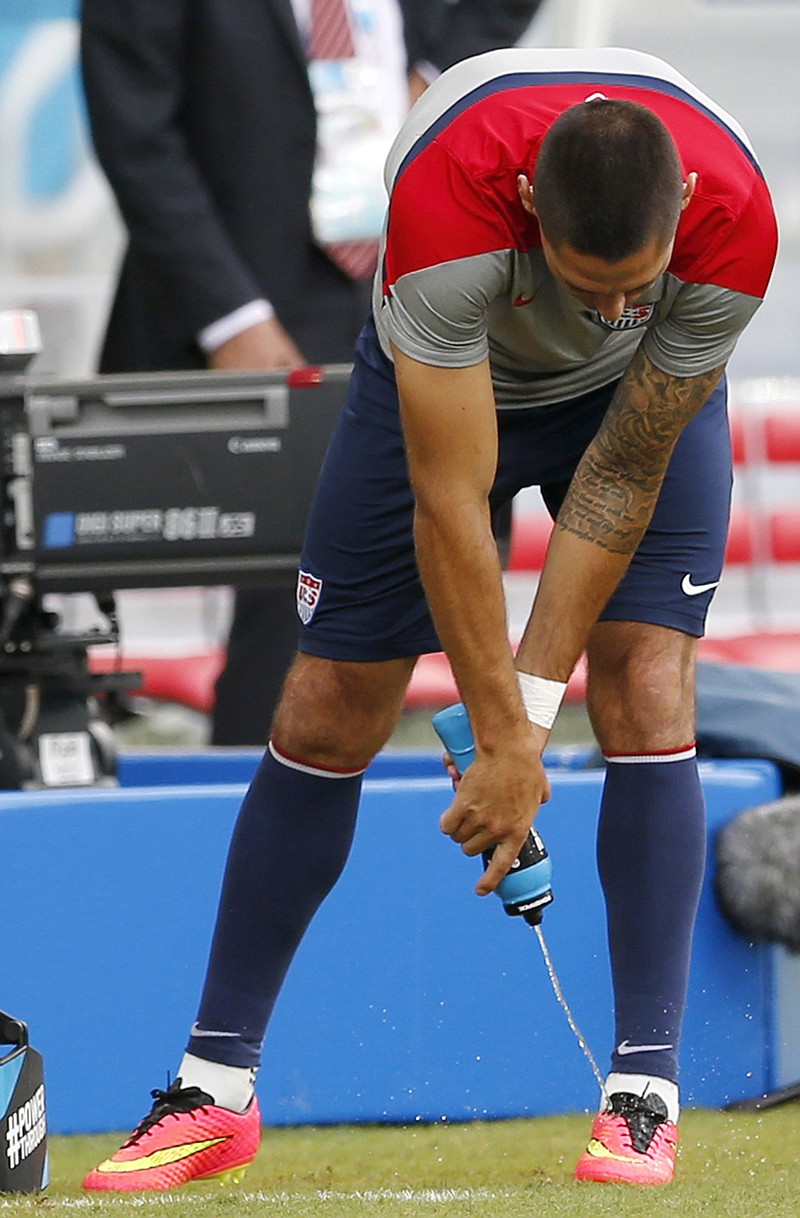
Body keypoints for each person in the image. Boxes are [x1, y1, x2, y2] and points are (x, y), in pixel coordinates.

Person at [82, 45, 777, 1191]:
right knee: (325, 709)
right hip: (456, 387)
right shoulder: (449, 205)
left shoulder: (732, 221)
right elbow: (452, 501)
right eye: (581, 279)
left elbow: (617, 476)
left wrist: (526, 713)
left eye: (631, 284)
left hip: (634, 413)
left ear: (685, 212)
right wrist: (498, 733)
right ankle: (214, 1090)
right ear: (523, 213)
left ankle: (642, 1094)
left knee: (649, 682)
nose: (609, 309)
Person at [79, 0, 542, 745]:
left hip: (414, 260)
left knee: (459, 535)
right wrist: (230, 316)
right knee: (293, 584)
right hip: (252, 292)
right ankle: (260, 802)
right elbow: (137, 136)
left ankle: (478, 771)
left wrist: (440, 71)